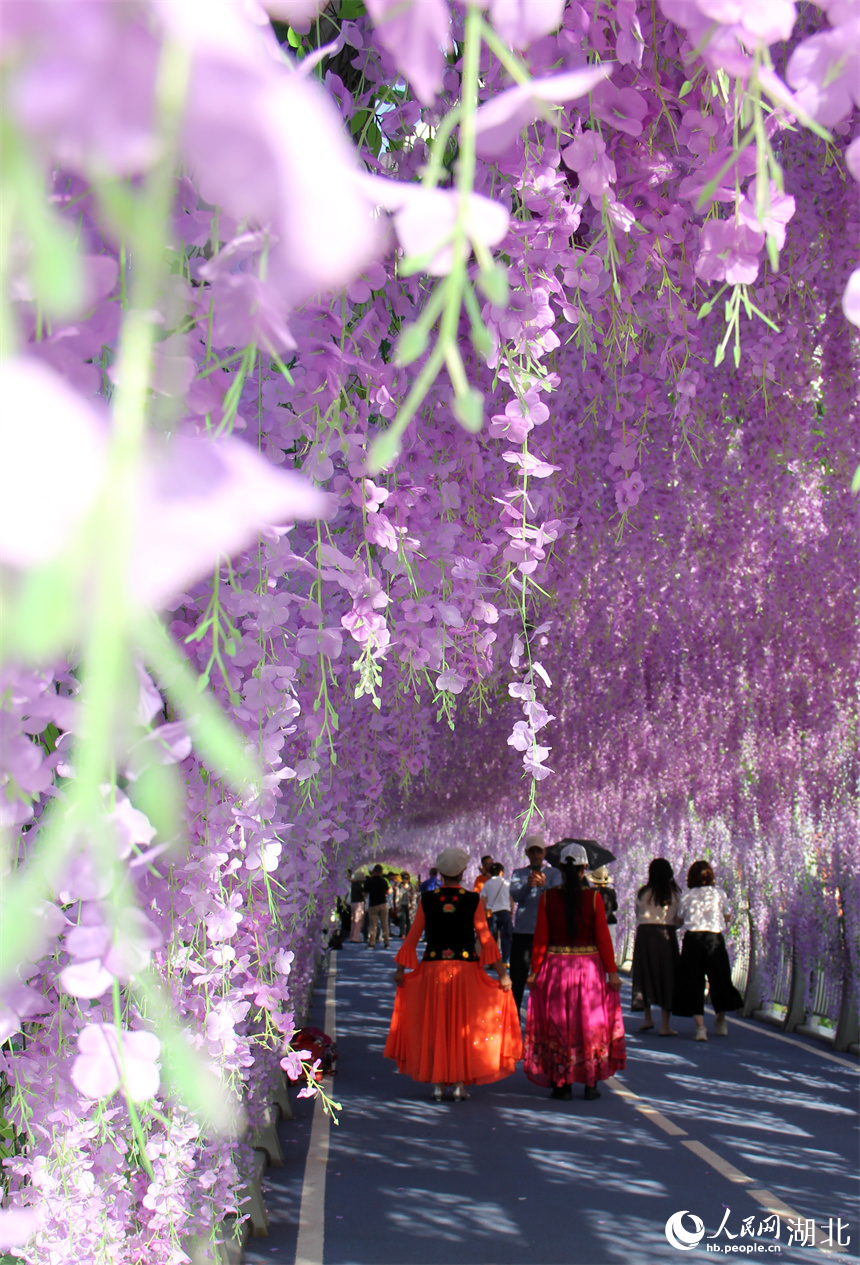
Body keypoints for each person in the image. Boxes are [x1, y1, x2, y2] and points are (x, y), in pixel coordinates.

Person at [384, 846, 522, 1102]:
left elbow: (412, 938)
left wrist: (400, 971)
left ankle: (437, 1084)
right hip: (464, 970)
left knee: (437, 1022)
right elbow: (486, 938)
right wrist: (502, 974)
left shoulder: (428, 900)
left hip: (433, 970)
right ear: (462, 871)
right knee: (461, 1024)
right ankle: (458, 1084)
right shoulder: (472, 900)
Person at [524, 842, 626, 1101]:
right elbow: (604, 939)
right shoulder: (594, 898)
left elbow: (540, 939)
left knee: (559, 1023)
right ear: (583, 870)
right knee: (590, 1023)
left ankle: (562, 1082)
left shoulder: (548, 898)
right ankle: (590, 1082)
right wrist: (612, 973)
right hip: (589, 968)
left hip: (556, 967)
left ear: (560, 868)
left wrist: (534, 971)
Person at [673, 860, 744, 1040]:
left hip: (693, 940)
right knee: (720, 979)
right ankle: (721, 1021)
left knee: (693, 982)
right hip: (714, 938)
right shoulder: (718, 894)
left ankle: (701, 1028)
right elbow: (727, 916)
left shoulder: (687, 895)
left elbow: (680, 919)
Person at [509, 836, 562, 1014]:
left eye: (539, 850)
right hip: (523, 932)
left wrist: (544, 885)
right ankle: (514, 1017)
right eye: (532, 851)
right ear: (527, 853)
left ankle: (543, 1018)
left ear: (544, 852)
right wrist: (528, 886)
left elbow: (559, 898)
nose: (536, 854)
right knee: (517, 978)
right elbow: (515, 896)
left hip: (546, 933)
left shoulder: (554, 873)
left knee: (545, 979)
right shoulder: (518, 873)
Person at [630, 858, 682, 1035]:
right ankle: (665, 1025)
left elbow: (637, 914)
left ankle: (647, 1018)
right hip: (666, 935)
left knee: (646, 974)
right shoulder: (674, 894)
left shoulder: (643, 892)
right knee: (667, 975)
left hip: (645, 935)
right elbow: (678, 919)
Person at [480, 863, 513, 967]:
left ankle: (492, 961)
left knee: (492, 939)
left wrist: (485, 910)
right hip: (505, 911)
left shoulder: (488, 883)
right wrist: (511, 911)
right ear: (501, 872)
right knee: (506, 937)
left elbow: (483, 899)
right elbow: (511, 899)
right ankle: (506, 961)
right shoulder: (507, 883)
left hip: (492, 913)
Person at [364, 865, 391, 948]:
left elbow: (364, 893)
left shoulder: (369, 881)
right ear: (381, 872)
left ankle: (372, 943)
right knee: (384, 924)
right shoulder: (384, 881)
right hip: (383, 903)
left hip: (373, 904)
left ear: (374, 872)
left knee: (373, 925)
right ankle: (386, 943)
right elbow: (388, 891)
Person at [348, 869, 367, 943]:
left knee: (353, 920)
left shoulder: (352, 885)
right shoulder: (358, 886)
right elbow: (363, 894)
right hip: (358, 903)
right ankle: (356, 937)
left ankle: (352, 936)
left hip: (352, 903)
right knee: (358, 920)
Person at [397, 871, 415, 939]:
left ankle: (408, 933)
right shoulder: (400, 886)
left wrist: (413, 903)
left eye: (407, 878)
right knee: (402, 919)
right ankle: (402, 933)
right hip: (402, 905)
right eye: (405, 878)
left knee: (409, 920)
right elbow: (397, 896)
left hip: (409, 905)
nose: (406, 879)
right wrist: (397, 905)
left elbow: (414, 895)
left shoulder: (411, 886)